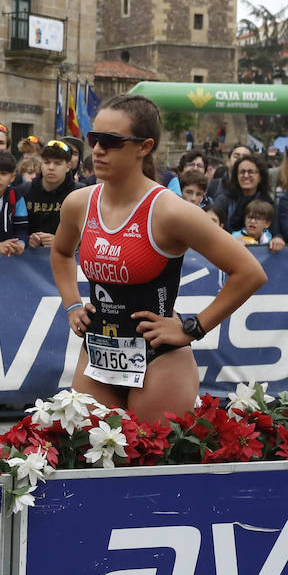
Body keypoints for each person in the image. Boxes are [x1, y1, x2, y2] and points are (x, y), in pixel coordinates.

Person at [51, 93, 266, 424]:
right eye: (94, 139)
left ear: (144, 147)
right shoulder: (78, 203)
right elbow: (62, 252)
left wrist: (193, 327)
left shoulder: (170, 211)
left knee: (150, 465)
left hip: (160, 360)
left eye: (111, 141)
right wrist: (72, 305)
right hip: (99, 353)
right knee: (88, 462)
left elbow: (250, 272)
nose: (97, 150)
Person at [23, 138, 76, 248]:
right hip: (30, 258)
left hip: (67, 257)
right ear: (41, 164)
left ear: (68, 166)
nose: (51, 168)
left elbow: (88, 233)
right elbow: (14, 229)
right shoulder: (24, 192)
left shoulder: (79, 194)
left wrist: (61, 241)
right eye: (47, 162)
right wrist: (27, 239)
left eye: (58, 163)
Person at [211, 152, 274, 233]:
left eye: (250, 172)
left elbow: (274, 232)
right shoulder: (224, 201)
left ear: (260, 177)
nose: (246, 175)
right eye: (242, 172)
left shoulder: (268, 202)